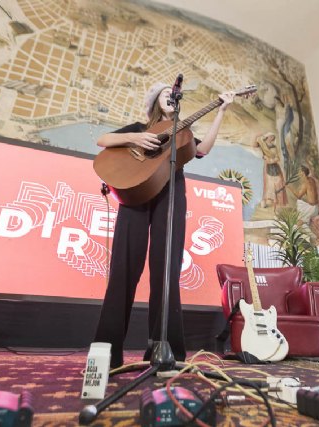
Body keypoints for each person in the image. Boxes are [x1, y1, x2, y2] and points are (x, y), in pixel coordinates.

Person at [93, 82, 234, 368]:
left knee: (166, 273)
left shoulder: (183, 134)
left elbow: (202, 149)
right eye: (165, 94)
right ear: (156, 101)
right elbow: (103, 140)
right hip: (134, 193)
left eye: (173, 94)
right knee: (122, 272)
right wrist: (136, 138)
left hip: (170, 196)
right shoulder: (139, 128)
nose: (171, 96)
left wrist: (221, 111)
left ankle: (164, 352)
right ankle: (108, 355)